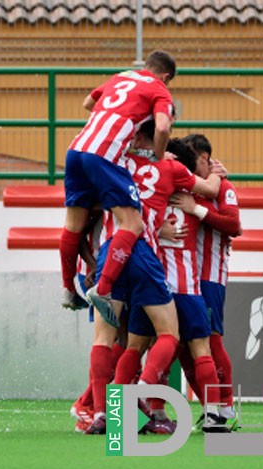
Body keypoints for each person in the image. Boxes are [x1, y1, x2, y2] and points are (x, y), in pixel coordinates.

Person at [84, 126, 222, 435]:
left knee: (107, 340)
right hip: (148, 258)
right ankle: (161, 400)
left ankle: (102, 414)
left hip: (112, 249)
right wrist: (217, 174)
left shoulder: (115, 162)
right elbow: (212, 193)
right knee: (172, 336)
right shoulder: (170, 168)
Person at [60, 51, 176, 328]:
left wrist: (113, 116)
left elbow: (88, 102)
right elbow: (162, 127)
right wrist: (158, 157)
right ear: (166, 76)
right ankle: (102, 289)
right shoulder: (159, 89)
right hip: (104, 154)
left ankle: (67, 289)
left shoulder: (121, 76)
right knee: (132, 223)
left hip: (76, 148)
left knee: (73, 224)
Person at [171, 133, 242, 425]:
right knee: (183, 345)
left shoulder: (222, 186)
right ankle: (210, 407)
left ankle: (225, 409)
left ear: (205, 158)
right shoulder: (192, 185)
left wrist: (196, 209)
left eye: (193, 158)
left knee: (210, 342)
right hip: (183, 277)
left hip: (210, 277)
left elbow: (234, 225)